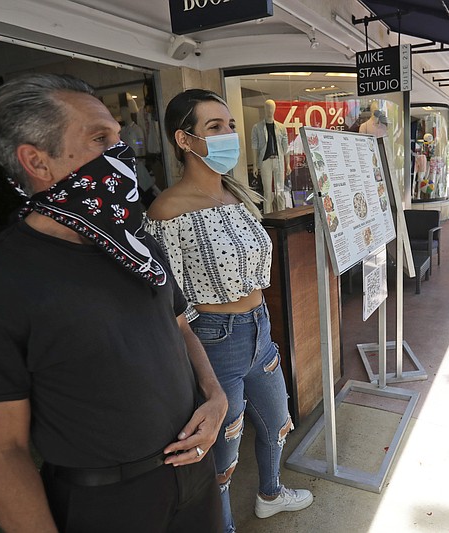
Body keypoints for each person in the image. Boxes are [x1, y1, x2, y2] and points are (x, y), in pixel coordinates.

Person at [0, 73, 228, 533]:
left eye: (118, 135)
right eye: (100, 138)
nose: (122, 153)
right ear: (37, 161)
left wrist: (215, 397)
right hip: (105, 503)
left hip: (194, 478)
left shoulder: (137, 245)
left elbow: (180, 327)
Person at [145, 89, 313, 533]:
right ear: (184, 140)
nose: (228, 136)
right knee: (223, 452)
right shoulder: (167, 210)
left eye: (231, 126)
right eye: (214, 128)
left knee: (277, 422)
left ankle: (271, 494)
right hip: (215, 340)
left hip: (260, 328)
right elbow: (168, 303)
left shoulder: (237, 194)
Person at [251, 99, 289, 213]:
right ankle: (268, 215)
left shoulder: (281, 127)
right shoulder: (257, 127)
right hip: (265, 161)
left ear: (275, 109)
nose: (270, 110)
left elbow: (285, 148)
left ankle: (282, 213)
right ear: (264, 109)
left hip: (278, 160)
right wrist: (255, 165)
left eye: (271, 108)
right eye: (267, 108)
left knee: (280, 190)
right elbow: (254, 146)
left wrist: (288, 165)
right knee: (267, 191)